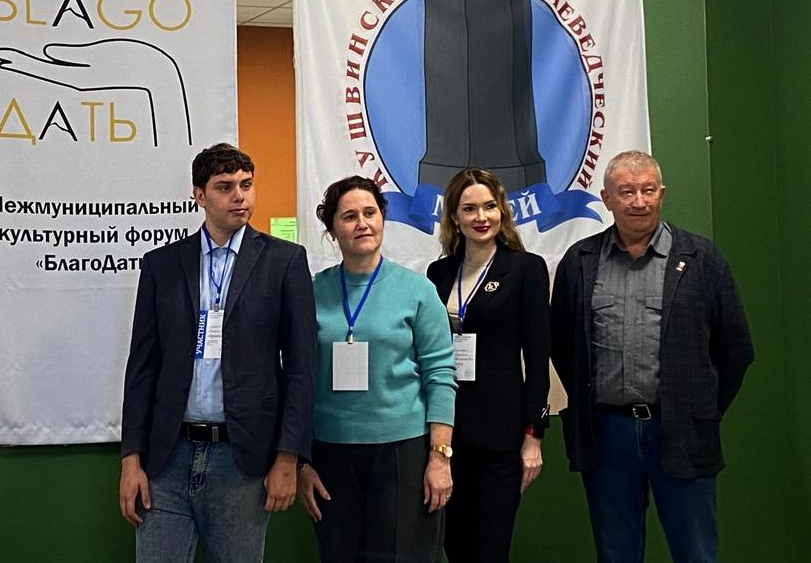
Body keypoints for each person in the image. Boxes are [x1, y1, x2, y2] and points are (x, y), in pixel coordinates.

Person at [550, 150, 754, 563]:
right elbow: (563, 345)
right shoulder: (580, 262)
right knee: (616, 552)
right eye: (626, 191)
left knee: (696, 552)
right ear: (607, 199)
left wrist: (700, 408)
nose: (638, 201)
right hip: (607, 435)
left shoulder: (701, 259)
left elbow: (735, 348)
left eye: (647, 190)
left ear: (661, 194)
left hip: (681, 430)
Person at [118, 142, 317, 562]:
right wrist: (130, 458)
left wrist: (288, 457)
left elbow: (302, 368)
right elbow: (142, 368)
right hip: (167, 456)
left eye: (246, 185)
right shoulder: (161, 265)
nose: (239, 196)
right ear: (199, 195)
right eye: (225, 187)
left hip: (242, 459)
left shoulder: (284, 261)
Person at [297, 175, 456, 563]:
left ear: (383, 219)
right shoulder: (309, 293)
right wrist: (301, 462)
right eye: (349, 216)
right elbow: (296, 380)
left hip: (403, 452)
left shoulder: (418, 290)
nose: (362, 223)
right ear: (332, 228)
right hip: (330, 454)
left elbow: (440, 375)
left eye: (370, 213)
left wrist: (440, 458)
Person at [426, 167, 550, 563]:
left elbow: (538, 356)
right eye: (469, 209)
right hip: (447, 433)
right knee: (456, 547)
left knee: (491, 550)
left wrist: (534, 436)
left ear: (502, 212)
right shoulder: (439, 273)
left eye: (489, 207)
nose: (481, 217)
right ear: (454, 217)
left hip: (502, 436)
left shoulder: (526, 269)